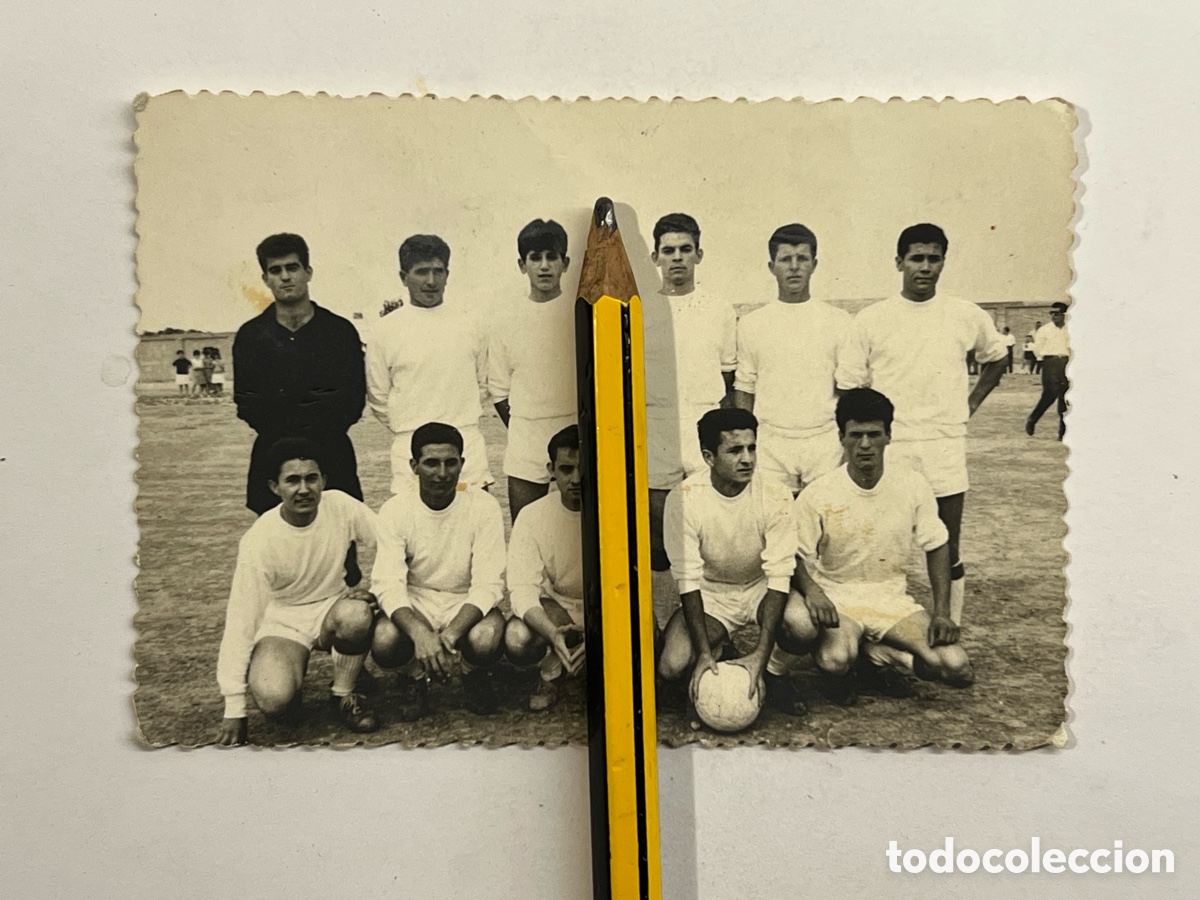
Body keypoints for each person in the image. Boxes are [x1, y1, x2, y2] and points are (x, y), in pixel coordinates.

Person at [840, 223, 1006, 628]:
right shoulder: (872, 319)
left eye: (934, 259)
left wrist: (970, 403)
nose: (925, 267)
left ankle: (949, 623)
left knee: (946, 542)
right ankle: (866, 628)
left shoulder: (966, 314)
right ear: (899, 262)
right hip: (890, 447)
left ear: (944, 262)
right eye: (917, 258)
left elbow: (996, 357)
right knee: (875, 541)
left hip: (944, 444)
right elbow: (848, 386)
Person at [791, 389, 973, 704]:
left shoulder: (913, 485)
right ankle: (856, 654)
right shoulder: (819, 493)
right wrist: (814, 592)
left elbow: (938, 544)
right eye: (856, 435)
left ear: (889, 436)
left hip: (890, 600)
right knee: (835, 661)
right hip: (840, 600)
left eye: (874, 434)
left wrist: (942, 613)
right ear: (841, 437)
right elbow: (794, 554)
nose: (865, 445)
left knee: (955, 667)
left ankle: (877, 655)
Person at [214, 438, 380, 745]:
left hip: (332, 609)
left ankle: (342, 693)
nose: (303, 489)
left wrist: (378, 591)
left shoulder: (341, 506)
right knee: (277, 703)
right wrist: (234, 706)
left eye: (311, 478)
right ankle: (288, 674)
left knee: (356, 614)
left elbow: (389, 542)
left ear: (323, 481)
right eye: (292, 480)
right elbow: (242, 620)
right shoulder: (260, 538)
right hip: (282, 622)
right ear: (275, 487)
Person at [657, 408, 811, 717]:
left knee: (803, 626)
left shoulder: (775, 493)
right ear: (709, 457)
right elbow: (687, 579)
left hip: (759, 589)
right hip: (712, 595)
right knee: (671, 666)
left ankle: (774, 673)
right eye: (735, 450)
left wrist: (761, 656)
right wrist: (702, 654)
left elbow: (780, 575)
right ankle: (717, 651)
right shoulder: (684, 498)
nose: (747, 459)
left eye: (752, 448)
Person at [370, 423, 507, 719]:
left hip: (463, 599)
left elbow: (488, 584)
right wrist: (420, 633)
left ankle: (473, 673)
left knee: (488, 635)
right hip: (418, 600)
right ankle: (413, 676)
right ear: (414, 466)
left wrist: (450, 635)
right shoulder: (395, 510)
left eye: (450, 462)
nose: (442, 473)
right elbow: (388, 585)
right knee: (384, 638)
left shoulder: (484, 507)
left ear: (462, 464)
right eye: (431, 463)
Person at [232, 233, 367, 520]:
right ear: (266, 278)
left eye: (292, 268)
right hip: (273, 455)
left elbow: (351, 401)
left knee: (341, 551)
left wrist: (288, 406)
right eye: (275, 270)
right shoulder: (251, 336)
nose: (285, 277)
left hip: (332, 455)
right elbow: (248, 403)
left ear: (308, 272)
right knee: (278, 551)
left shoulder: (339, 332)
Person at [641, 213, 737, 596]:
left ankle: (716, 620)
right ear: (655, 257)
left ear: (699, 254)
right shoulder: (639, 308)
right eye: (668, 251)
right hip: (657, 424)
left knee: (710, 527)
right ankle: (665, 624)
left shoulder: (719, 308)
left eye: (685, 250)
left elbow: (728, 376)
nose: (677, 258)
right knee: (659, 533)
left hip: (704, 420)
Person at [367, 234, 493, 495]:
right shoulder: (384, 330)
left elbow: (483, 383)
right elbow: (378, 396)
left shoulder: (471, 324)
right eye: (421, 272)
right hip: (410, 448)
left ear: (448, 274)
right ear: (404, 277)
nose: (431, 281)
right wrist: (411, 430)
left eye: (438, 271)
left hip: (467, 445)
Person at [733, 223, 853, 495]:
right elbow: (744, 388)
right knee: (776, 527)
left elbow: (849, 390)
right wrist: (747, 445)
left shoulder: (839, 322)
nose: (795, 266)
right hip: (771, 443)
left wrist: (845, 445)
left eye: (803, 259)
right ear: (772, 266)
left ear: (814, 264)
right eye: (786, 259)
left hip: (825, 442)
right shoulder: (752, 324)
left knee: (825, 527)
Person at [489, 219, 577, 522]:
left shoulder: (581, 313)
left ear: (564, 263)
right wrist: (524, 428)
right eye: (535, 258)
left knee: (582, 532)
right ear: (521, 264)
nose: (543, 266)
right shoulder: (505, 320)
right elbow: (499, 390)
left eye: (552, 257)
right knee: (527, 527)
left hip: (576, 436)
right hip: (527, 439)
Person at [503, 425, 585, 710]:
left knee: (652, 644)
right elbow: (522, 589)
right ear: (551, 469)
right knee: (517, 638)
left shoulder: (618, 508)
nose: (575, 479)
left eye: (583, 468)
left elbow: (628, 585)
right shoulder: (533, 515)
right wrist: (552, 632)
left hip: (608, 608)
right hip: (559, 607)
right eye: (566, 469)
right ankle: (551, 671)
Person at [1026, 302, 1071, 440]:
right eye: (1052, 314)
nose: (1054, 316)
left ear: (1064, 314)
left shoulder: (1071, 328)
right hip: (1050, 363)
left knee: (1065, 397)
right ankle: (1032, 419)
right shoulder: (1044, 330)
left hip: (1067, 363)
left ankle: (1062, 432)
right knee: (1049, 395)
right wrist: (1046, 359)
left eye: (1057, 314)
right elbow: (1037, 349)